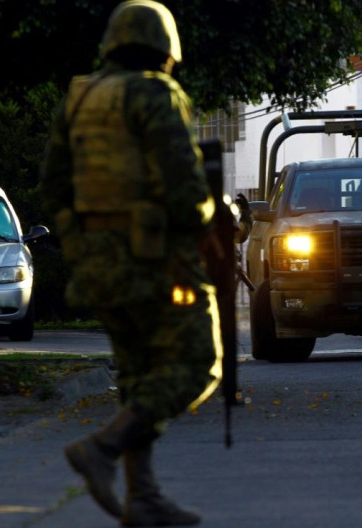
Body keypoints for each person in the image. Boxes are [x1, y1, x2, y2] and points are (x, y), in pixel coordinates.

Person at [40, 1, 221, 525]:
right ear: (164, 48)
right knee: (196, 364)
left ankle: (142, 496)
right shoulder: (153, 93)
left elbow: (54, 186)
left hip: (97, 264)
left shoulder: (80, 97)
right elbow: (185, 190)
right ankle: (104, 446)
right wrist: (213, 217)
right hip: (153, 260)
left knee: (141, 374)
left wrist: (83, 245)